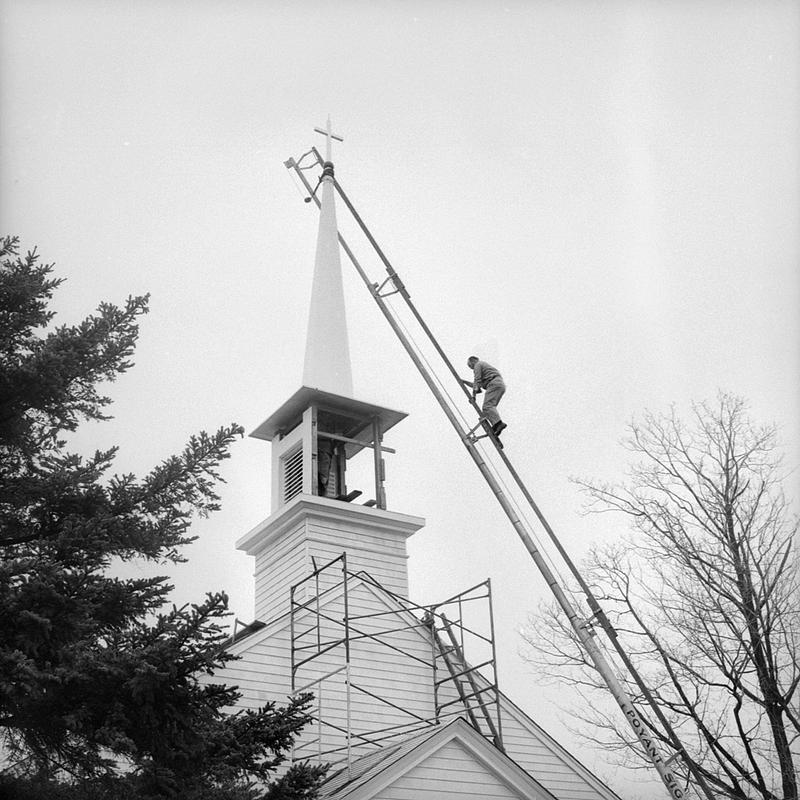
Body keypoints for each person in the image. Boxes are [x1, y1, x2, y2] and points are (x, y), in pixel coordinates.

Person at [463, 356, 507, 437]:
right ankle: (496, 426)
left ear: (473, 361)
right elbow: (477, 386)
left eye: (470, 365)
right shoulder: (484, 368)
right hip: (498, 384)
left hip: (493, 384)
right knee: (489, 409)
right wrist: (464, 382)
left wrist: (473, 396)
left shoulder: (478, 365)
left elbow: (477, 381)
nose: (471, 368)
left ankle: (499, 423)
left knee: (487, 407)